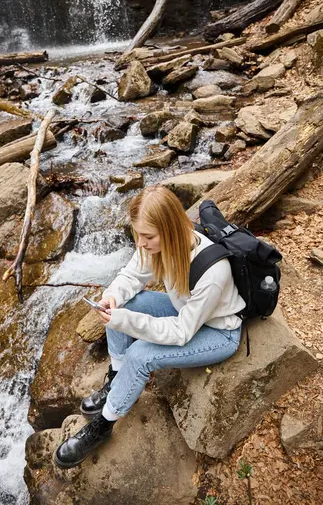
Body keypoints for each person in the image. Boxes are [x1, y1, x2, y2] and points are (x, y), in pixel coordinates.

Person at [54, 185, 245, 469]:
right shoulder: (158, 245)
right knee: (125, 302)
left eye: (148, 236)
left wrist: (126, 322)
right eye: (138, 234)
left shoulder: (213, 272)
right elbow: (131, 274)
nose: (141, 243)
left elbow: (181, 332)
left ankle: (104, 424)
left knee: (141, 354)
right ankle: (116, 379)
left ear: (169, 231)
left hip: (218, 332)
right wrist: (112, 298)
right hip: (188, 312)